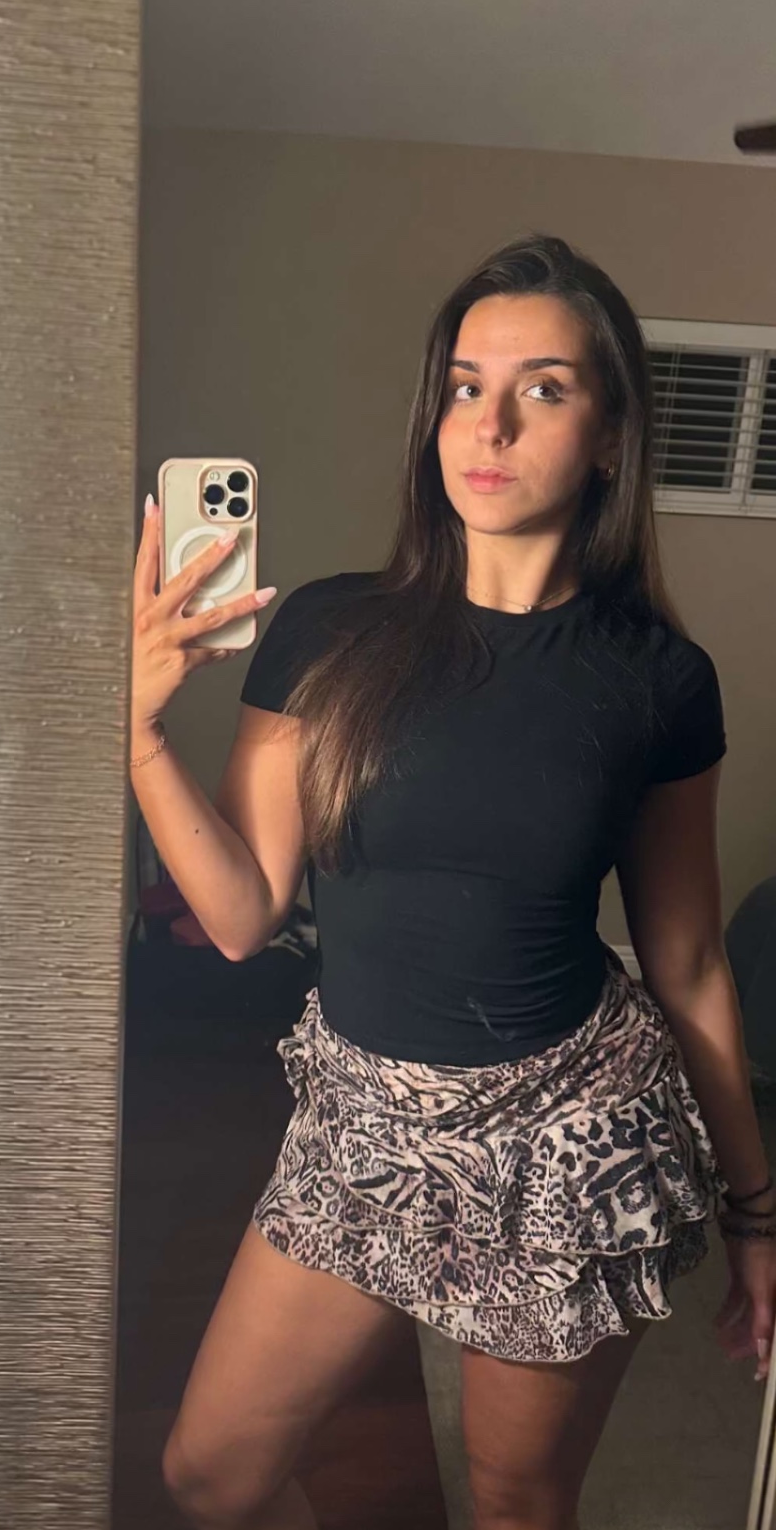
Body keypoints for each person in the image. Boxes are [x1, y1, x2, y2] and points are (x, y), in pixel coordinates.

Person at [129, 233, 776, 1530]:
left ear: (609, 434)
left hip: (567, 1138)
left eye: (544, 387)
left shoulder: (657, 678)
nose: (490, 423)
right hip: (361, 1127)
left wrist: (757, 1214)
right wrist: (139, 731)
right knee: (209, 1475)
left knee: (516, 1502)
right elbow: (244, 918)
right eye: (466, 385)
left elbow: (689, 961)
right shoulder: (328, 630)